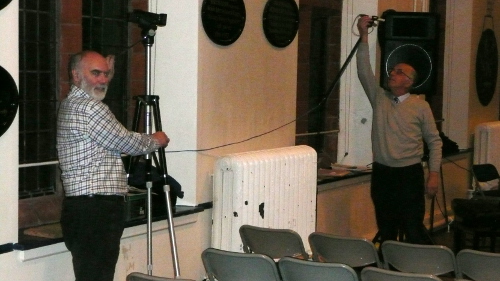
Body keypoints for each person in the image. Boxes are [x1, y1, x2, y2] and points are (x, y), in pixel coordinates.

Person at [57, 50, 170, 281]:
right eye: (96, 73)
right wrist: (156, 140)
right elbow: (126, 142)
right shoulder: (90, 108)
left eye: (106, 74)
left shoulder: (71, 105)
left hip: (81, 209)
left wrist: (101, 75)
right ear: (76, 76)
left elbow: (109, 138)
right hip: (97, 210)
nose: (104, 79)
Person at [356, 16, 442, 244]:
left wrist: (433, 174)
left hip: (409, 175)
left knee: (412, 226)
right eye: (392, 70)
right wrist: (364, 35)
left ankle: (421, 272)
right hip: (383, 174)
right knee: (387, 228)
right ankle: (388, 272)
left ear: (409, 81)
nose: (392, 73)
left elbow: (434, 142)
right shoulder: (380, 99)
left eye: (399, 71)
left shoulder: (420, 106)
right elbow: (364, 71)